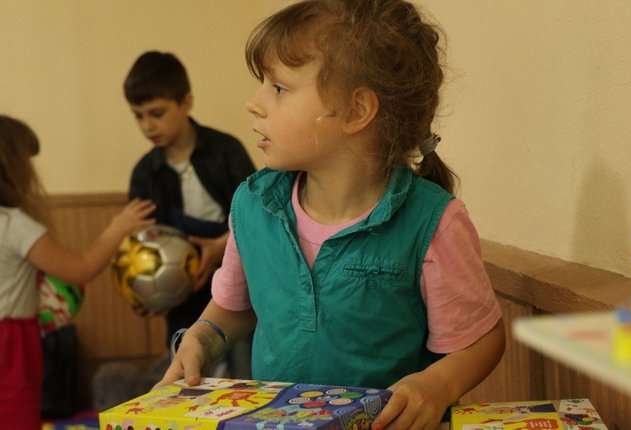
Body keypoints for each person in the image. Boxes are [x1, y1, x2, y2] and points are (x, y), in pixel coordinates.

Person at [161, 1, 505, 429]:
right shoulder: (252, 205)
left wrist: (438, 385)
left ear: (357, 111)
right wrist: (202, 338)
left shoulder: (434, 222)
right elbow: (234, 307)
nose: (254, 103)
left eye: (279, 88)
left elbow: (481, 340)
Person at [0, 115, 155, 430]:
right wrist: (118, 228)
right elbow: (80, 269)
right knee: (16, 415)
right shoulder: (14, 225)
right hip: (10, 342)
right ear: (12, 168)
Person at [124, 51, 256, 374]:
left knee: (243, 374)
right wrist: (142, 286)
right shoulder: (144, 173)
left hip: (238, 284)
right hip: (181, 294)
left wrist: (220, 247)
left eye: (156, 113)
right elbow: (141, 244)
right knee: (188, 375)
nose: (147, 125)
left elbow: (257, 218)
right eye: (138, 116)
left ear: (186, 102)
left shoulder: (226, 151)